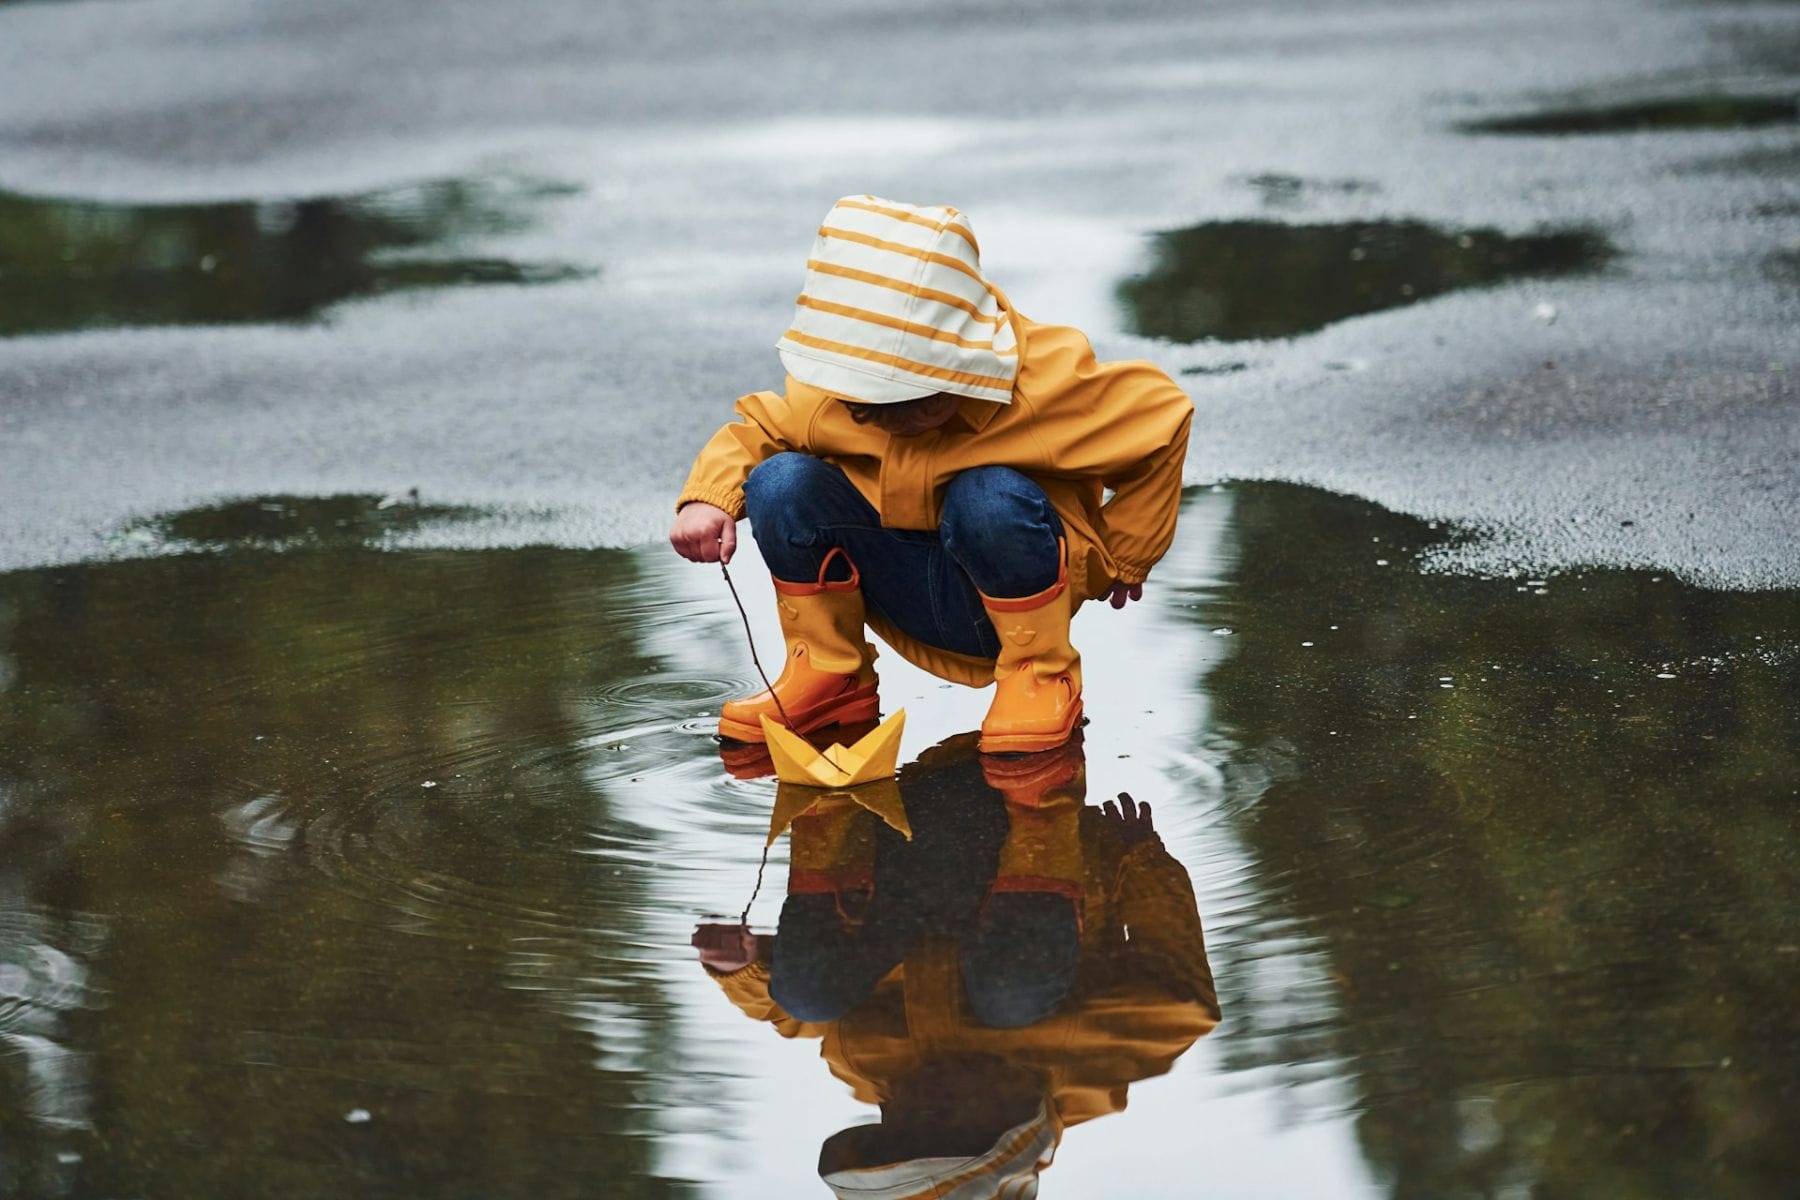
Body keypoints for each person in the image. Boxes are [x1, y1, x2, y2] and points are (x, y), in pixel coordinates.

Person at [671, 195, 1193, 753]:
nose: (885, 418)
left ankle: (1041, 676)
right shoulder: (831, 393)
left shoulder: (1047, 383)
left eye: (910, 399)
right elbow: (756, 432)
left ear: (963, 363)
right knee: (780, 481)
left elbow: (1164, 416)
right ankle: (830, 671)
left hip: (1008, 594)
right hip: (896, 581)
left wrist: (1128, 552)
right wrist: (709, 499)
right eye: (864, 405)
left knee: (986, 495)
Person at [690, 733, 1219, 1198]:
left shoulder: (873, 1069)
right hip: (1032, 847)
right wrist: (1141, 856)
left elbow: (798, 1016)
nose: (918, 1106)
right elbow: (1185, 997)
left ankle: (828, 770)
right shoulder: (1095, 1066)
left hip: (909, 843)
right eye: (937, 1125)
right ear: (1004, 1133)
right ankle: (1034, 765)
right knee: (1012, 998)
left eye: (896, 1129)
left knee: (809, 993)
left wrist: (744, 968)